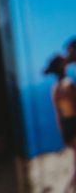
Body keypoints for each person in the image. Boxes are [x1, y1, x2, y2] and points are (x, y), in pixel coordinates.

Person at [45, 54, 76, 192]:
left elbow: (59, 115)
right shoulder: (68, 84)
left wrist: (64, 133)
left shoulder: (55, 88)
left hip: (67, 127)